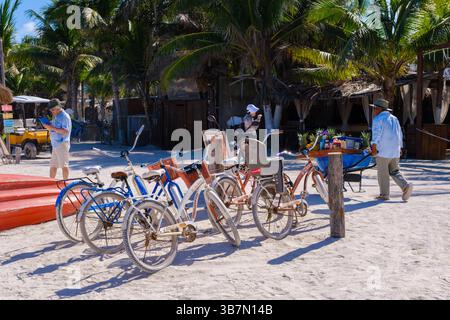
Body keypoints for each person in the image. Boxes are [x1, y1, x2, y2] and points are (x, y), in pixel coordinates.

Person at [370, 98, 413, 201]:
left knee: (382, 173)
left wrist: (374, 148)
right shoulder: (394, 118)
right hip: (395, 150)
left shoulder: (377, 119)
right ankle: (405, 186)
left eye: (374, 108)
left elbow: (376, 134)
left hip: (383, 150)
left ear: (379, 109)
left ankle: (384, 195)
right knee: (394, 171)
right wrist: (400, 147)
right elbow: (399, 133)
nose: (374, 111)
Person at [42, 99, 72, 180]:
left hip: (62, 143)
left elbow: (65, 131)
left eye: (52, 110)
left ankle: (66, 184)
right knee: (53, 165)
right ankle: (51, 183)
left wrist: (51, 127)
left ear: (58, 107)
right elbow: (55, 128)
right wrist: (48, 125)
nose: (51, 111)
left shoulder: (64, 116)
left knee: (64, 165)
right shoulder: (57, 116)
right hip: (55, 144)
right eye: (50, 110)